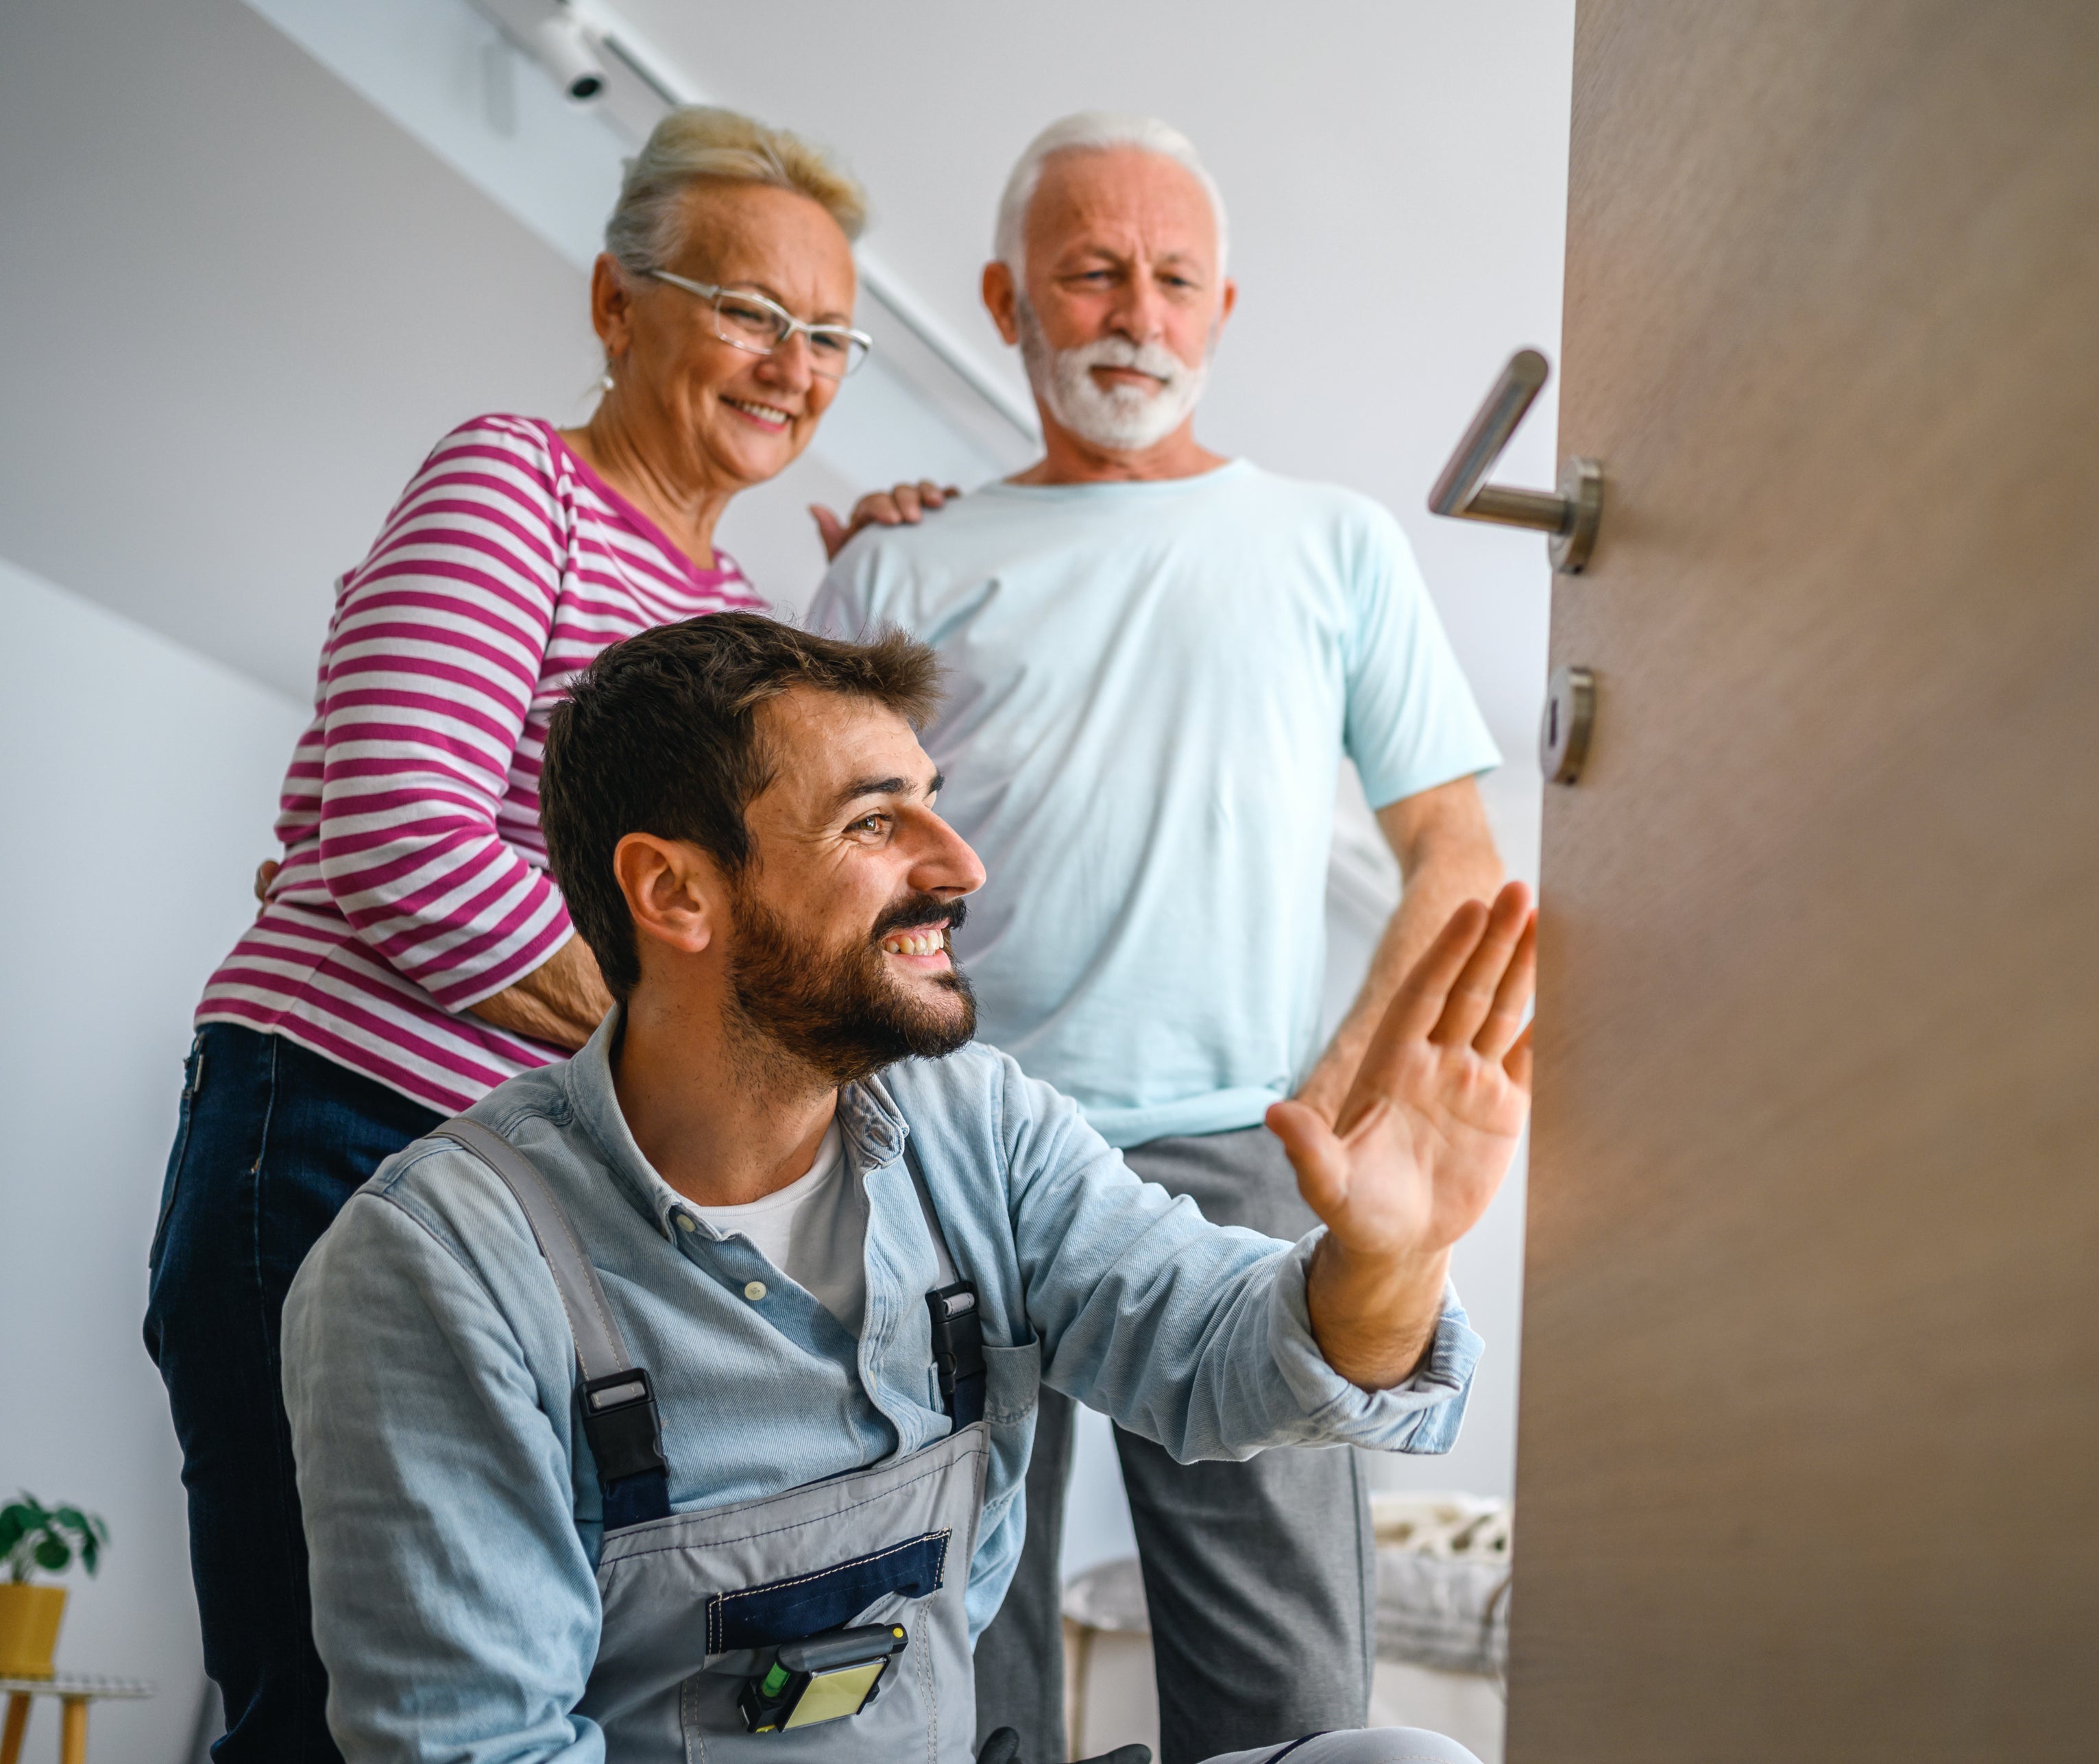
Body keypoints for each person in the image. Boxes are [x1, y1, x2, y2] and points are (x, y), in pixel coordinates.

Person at [277, 612, 1538, 1764]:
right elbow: (472, 1748)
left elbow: (1226, 1354)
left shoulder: (974, 1123)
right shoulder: (437, 1262)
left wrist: (1394, 1253)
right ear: (675, 891)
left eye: (933, 804)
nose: (962, 865)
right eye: (877, 821)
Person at [143, 107, 886, 1762]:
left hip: (529, 1197)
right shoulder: (516, 480)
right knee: (334, 1709)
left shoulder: (741, 622)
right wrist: (683, 1042)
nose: (793, 362)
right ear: (620, 308)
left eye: (829, 332)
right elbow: (401, 831)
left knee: (505, 1694)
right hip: (337, 1133)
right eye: (748, 310)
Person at [807, 112, 1506, 1764]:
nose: (1137, 311)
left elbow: (1458, 863)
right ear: (1003, 298)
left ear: (1222, 307)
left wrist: (1328, 1099)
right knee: (939, 1668)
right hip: (939, 1165)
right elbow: (816, 873)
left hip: (1239, 1165)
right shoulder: (898, 560)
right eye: (1093, 271)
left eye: (1174, 278)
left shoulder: (1333, 543)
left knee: (1288, 1698)